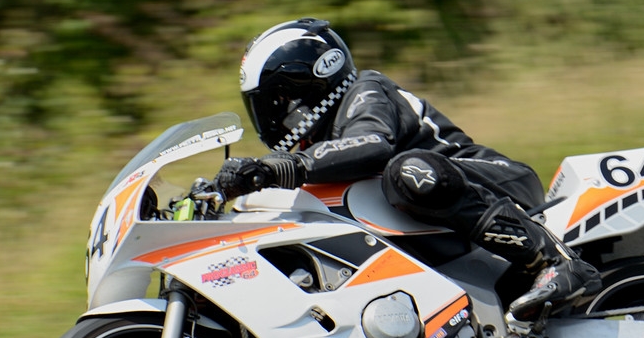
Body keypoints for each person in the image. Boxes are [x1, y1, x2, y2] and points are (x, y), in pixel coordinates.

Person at [216, 17, 600, 319]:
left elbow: (373, 143)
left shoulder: (365, 91)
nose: (274, 115)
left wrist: (277, 168)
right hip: (447, 212)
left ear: (311, 82)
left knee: (408, 170)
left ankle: (557, 262)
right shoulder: (323, 140)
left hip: (495, 180)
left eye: (279, 100)